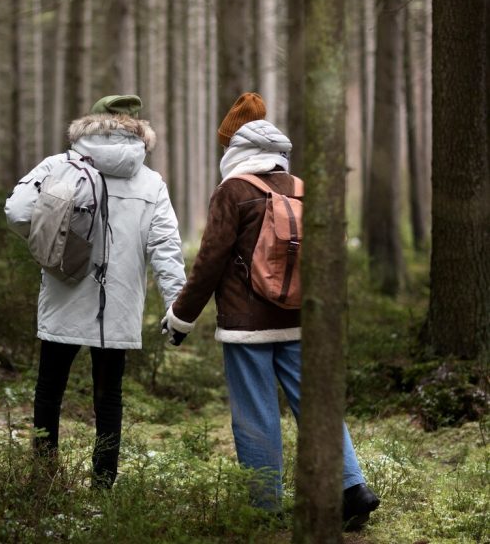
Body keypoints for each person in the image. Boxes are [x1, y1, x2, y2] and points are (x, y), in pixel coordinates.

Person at [160, 92, 380, 527]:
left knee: (256, 411)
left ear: (235, 150)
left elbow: (208, 264)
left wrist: (180, 318)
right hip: (300, 319)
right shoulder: (300, 187)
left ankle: (263, 505)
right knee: (317, 408)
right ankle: (351, 488)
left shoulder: (232, 191)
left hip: (248, 325)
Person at [5, 95, 185, 488]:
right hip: (118, 305)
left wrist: (47, 245)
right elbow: (166, 248)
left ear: (92, 122)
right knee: (108, 397)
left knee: (49, 390)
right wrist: (177, 305)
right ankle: (103, 487)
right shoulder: (151, 182)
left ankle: (44, 477)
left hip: (63, 291)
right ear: (138, 129)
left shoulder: (59, 166)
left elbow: (18, 212)